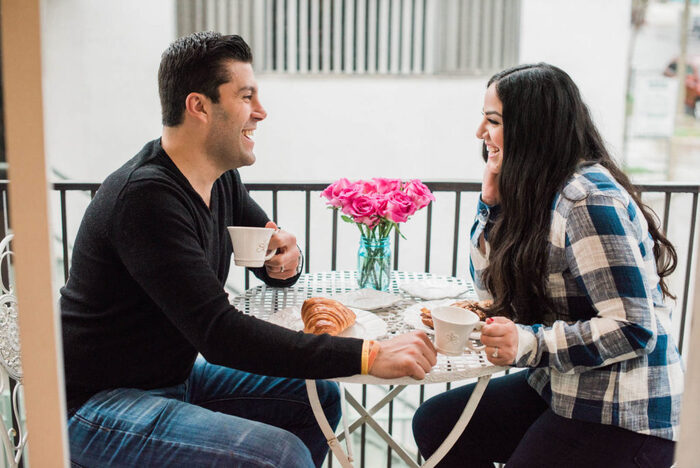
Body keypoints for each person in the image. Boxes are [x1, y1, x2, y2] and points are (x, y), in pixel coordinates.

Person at [61, 31, 437, 468]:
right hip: (95, 407)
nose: (261, 112)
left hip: (172, 379)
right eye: (246, 96)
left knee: (316, 399)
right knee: (280, 455)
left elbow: (270, 256)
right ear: (199, 106)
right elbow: (220, 335)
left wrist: (285, 259)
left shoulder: (218, 179)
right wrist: (369, 355)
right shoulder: (145, 199)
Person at [412, 63, 684, 467]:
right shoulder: (539, 190)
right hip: (563, 386)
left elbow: (634, 328)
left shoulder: (586, 200)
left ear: (530, 127)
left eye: (492, 121)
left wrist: (528, 343)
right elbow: (494, 300)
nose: (479, 133)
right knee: (438, 423)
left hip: (625, 413)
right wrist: (492, 209)